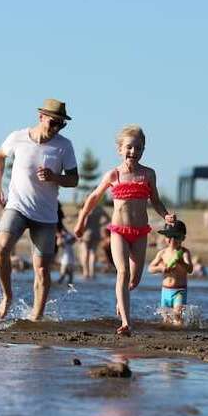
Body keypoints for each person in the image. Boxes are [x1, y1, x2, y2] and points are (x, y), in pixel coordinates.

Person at [74, 124, 175, 336]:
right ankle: (126, 323)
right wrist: (82, 220)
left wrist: (165, 215)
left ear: (143, 150)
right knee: (122, 272)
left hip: (140, 233)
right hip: (118, 231)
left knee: (134, 279)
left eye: (138, 148)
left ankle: (122, 299)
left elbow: (155, 201)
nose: (133, 152)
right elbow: (93, 198)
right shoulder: (114, 175)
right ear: (120, 149)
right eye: (129, 147)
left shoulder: (148, 174)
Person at [0, 99, 79, 321]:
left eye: (61, 124)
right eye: (53, 122)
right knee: (1, 247)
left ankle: (36, 317)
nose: (56, 127)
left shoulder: (64, 146)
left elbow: (74, 179)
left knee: (41, 268)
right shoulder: (17, 137)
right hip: (17, 206)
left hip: (45, 215)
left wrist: (55, 177)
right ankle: (7, 297)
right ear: (41, 117)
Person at [147, 220, 193, 326]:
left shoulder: (184, 253)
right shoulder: (162, 253)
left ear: (183, 238)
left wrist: (180, 262)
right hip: (165, 291)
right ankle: (169, 334)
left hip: (179, 291)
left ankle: (179, 331)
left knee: (177, 314)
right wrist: (161, 268)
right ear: (165, 237)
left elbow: (190, 269)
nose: (172, 240)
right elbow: (150, 268)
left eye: (176, 237)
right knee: (166, 318)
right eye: (169, 236)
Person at [78, 203, 107, 279]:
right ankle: (92, 272)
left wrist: (80, 234)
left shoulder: (85, 209)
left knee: (85, 253)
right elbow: (108, 219)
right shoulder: (100, 209)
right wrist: (100, 225)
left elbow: (84, 223)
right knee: (93, 253)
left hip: (86, 234)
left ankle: (86, 272)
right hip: (96, 233)